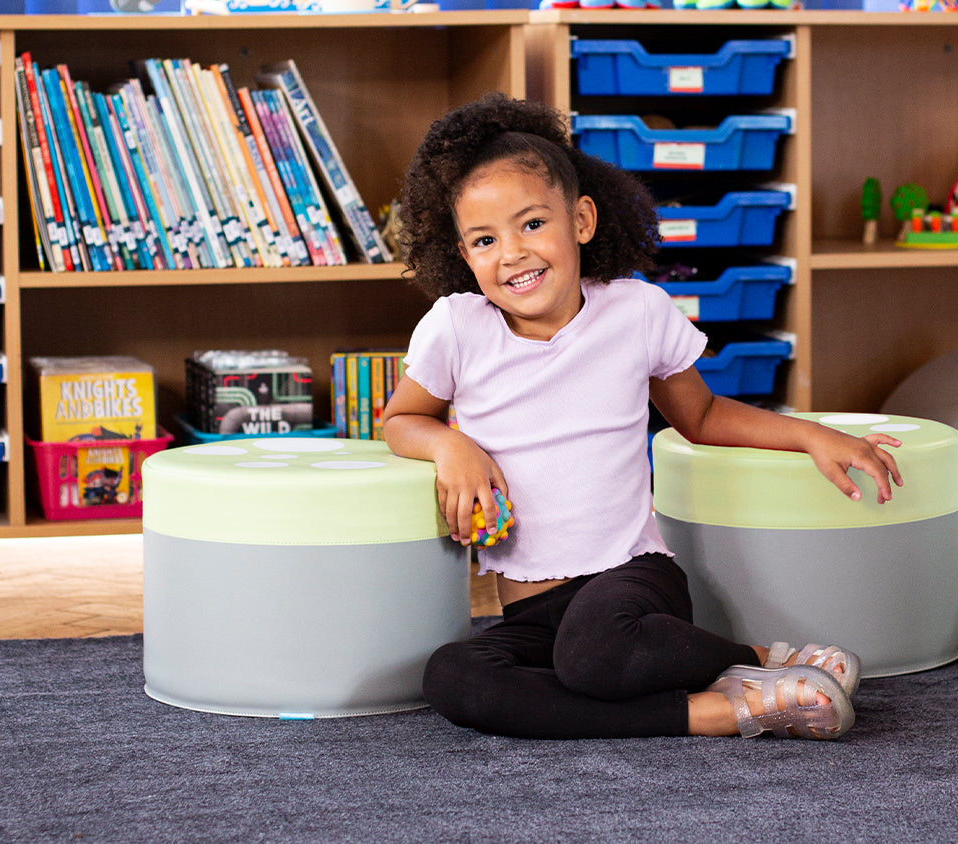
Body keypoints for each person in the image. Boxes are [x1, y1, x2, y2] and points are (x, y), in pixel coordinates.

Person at [381, 93, 904, 741]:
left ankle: (761, 662)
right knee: (455, 678)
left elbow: (703, 415)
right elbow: (401, 419)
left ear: (581, 220)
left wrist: (811, 435)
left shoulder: (637, 311)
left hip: (631, 581)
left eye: (532, 224)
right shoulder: (457, 328)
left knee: (598, 653)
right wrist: (450, 447)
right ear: (463, 254)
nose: (511, 253)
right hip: (529, 610)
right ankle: (719, 707)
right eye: (485, 239)